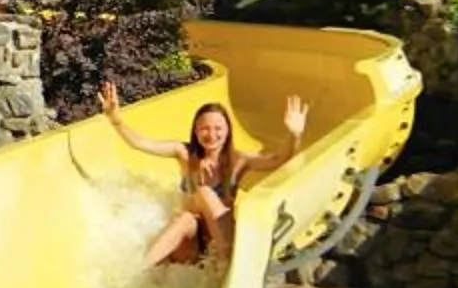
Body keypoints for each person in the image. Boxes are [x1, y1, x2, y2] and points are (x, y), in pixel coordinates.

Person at [98, 81, 308, 269]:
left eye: (218, 128)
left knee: (205, 194)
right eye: (204, 129)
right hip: (190, 246)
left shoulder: (238, 161)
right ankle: (139, 273)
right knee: (186, 218)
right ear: (196, 132)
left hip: (219, 243)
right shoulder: (184, 154)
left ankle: (225, 263)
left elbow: (279, 160)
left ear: (227, 131)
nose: (211, 134)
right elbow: (140, 143)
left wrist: (294, 134)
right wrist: (116, 120)